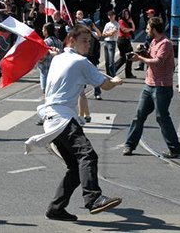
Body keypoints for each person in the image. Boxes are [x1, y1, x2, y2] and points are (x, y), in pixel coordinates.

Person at [29, 25, 123, 221]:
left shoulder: (59, 58)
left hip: (51, 119)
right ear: (71, 40)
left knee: (74, 166)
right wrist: (115, 81)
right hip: (62, 118)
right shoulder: (81, 62)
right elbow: (105, 86)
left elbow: (61, 59)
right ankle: (93, 199)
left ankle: (56, 208)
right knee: (87, 155)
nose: (88, 45)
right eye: (84, 41)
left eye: (89, 42)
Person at [123, 17, 180, 158]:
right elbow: (151, 57)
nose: (146, 31)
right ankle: (129, 145)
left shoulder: (165, 43)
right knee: (139, 115)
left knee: (162, 117)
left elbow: (157, 62)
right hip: (149, 85)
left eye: (148, 28)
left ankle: (175, 149)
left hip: (162, 87)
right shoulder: (154, 42)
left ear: (154, 29)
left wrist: (140, 58)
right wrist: (142, 52)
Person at [115, 8, 136, 78]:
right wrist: (130, 29)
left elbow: (134, 28)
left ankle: (113, 70)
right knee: (128, 56)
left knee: (124, 57)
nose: (126, 15)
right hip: (122, 40)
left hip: (126, 40)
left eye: (127, 14)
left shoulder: (128, 21)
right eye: (125, 14)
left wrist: (131, 21)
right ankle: (127, 73)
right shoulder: (121, 21)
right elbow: (124, 30)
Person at [102, 10, 119, 77]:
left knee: (111, 61)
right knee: (107, 61)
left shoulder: (116, 24)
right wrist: (108, 33)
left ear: (114, 16)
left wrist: (107, 33)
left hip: (112, 42)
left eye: (112, 15)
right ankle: (108, 75)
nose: (111, 17)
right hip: (106, 42)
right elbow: (103, 34)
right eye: (109, 15)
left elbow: (112, 33)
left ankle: (113, 75)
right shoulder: (107, 24)